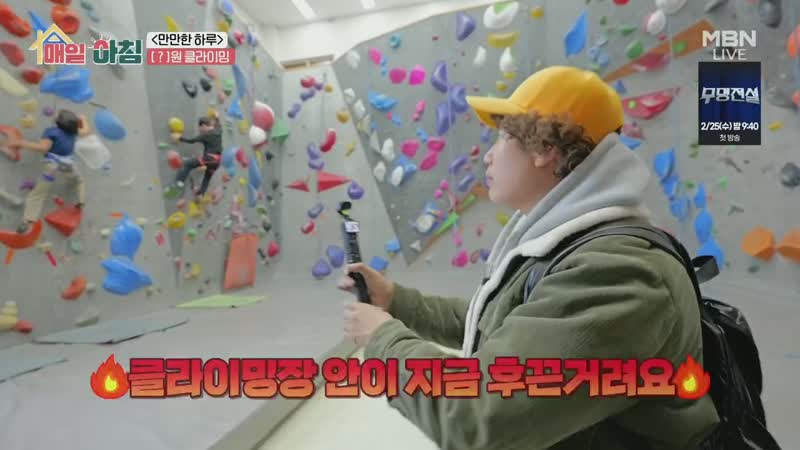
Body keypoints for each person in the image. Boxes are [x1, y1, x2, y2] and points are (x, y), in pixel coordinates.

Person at [337, 66, 720, 449]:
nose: (488, 156)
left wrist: (382, 339)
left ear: (545, 147)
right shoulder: (578, 245)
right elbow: (505, 324)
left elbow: (477, 415)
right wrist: (396, 301)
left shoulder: (616, 273)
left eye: (503, 137)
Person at [9, 109, 89, 234]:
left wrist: (22, 143)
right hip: (68, 164)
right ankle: (81, 201)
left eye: (58, 115)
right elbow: (86, 131)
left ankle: (27, 221)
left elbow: (43, 148)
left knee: (38, 193)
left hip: (52, 166)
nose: (55, 114)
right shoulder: (73, 132)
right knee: (79, 181)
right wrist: (83, 119)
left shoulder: (51, 131)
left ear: (59, 121)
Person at [171, 114, 222, 198]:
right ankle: (200, 194)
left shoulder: (206, 135)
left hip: (210, 158)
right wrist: (216, 117)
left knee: (187, 164)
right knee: (207, 178)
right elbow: (218, 124)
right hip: (217, 162)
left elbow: (192, 140)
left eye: (200, 129)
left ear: (204, 125)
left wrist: (179, 138)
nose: (200, 131)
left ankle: (179, 182)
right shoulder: (218, 130)